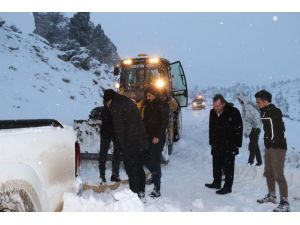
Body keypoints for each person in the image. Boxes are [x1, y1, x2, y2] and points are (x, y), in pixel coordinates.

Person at [103, 89, 149, 199]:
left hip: (131, 143)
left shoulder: (115, 105)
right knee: (138, 168)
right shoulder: (127, 101)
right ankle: (141, 192)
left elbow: (119, 129)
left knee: (131, 170)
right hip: (141, 140)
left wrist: (122, 146)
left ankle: (134, 196)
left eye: (106, 104)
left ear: (108, 101)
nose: (108, 107)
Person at [255, 90, 290, 212]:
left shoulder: (275, 111)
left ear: (265, 101)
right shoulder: (264, 111)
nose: (257, 104)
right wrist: (267, 142)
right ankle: (272, 195)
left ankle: (285, 202)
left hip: (278, 147)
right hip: (269, 146)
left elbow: (279, 130)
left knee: (278, 174)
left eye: (259, 102)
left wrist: (274, 142)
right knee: (269, 172)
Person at [205, 94, 243, 195]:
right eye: (214, 106)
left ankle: (227, 187)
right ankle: (216, 182)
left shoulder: (233, 112)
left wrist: (237, 144)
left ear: (223, 104)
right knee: (216, 164)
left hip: (229, 145)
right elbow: (211, 128)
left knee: (228, 167)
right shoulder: (212, 112)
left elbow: (239, 128)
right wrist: (211, 142)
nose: (215, 108)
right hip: (217, 144)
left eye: (218, 106)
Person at [143, 87, 169, 198]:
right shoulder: (148, 106)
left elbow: (163, 123)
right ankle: (154, 176)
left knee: (155, 161)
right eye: (147, 96)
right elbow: (145, 121)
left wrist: (157, 136)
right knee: (145, 158)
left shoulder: (162, 106)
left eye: (150, 96)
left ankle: (157, 189)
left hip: (158, 138)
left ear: (155, 95)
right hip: (148, 137)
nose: (148, 98)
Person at [236, 92, 262, 166]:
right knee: (255, 145)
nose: (240, 101)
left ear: (243, 99)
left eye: (240, 100)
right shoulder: (246, 106)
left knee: (252, 145)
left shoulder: (247, 107)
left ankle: (250, 162)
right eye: (239, 100)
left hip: (255, 128)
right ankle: (259, 162)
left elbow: (250, 120)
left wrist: (248, 131)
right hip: (255, 128)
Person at [98, 105, 121, 183]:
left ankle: (115, 174)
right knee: (103, 154)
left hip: (116, 133)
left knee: (117, 153)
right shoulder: (105, 109)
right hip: (106, 132)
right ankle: (102, 175)